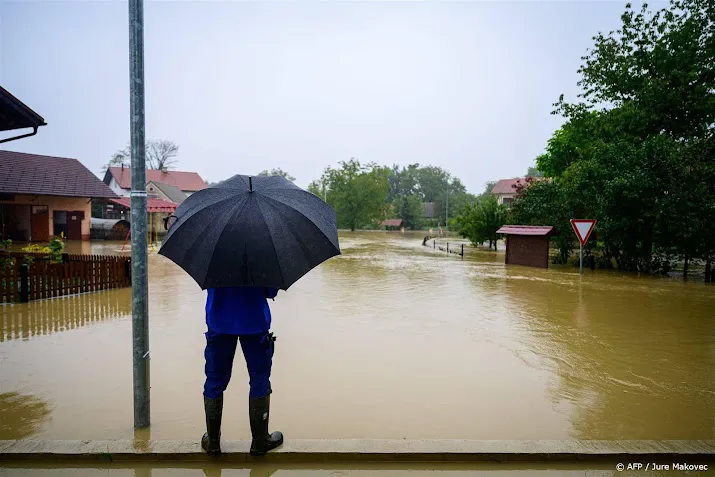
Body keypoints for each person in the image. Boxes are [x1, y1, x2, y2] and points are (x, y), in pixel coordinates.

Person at [201, 286, 284, 457]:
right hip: (254, 321)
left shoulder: (213, 259)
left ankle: (213, 442)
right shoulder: (261, 259)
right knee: (259, 379)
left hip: (219, 321)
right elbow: (270, 291)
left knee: (214, 380)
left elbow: (207, 283)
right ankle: (259, 441)